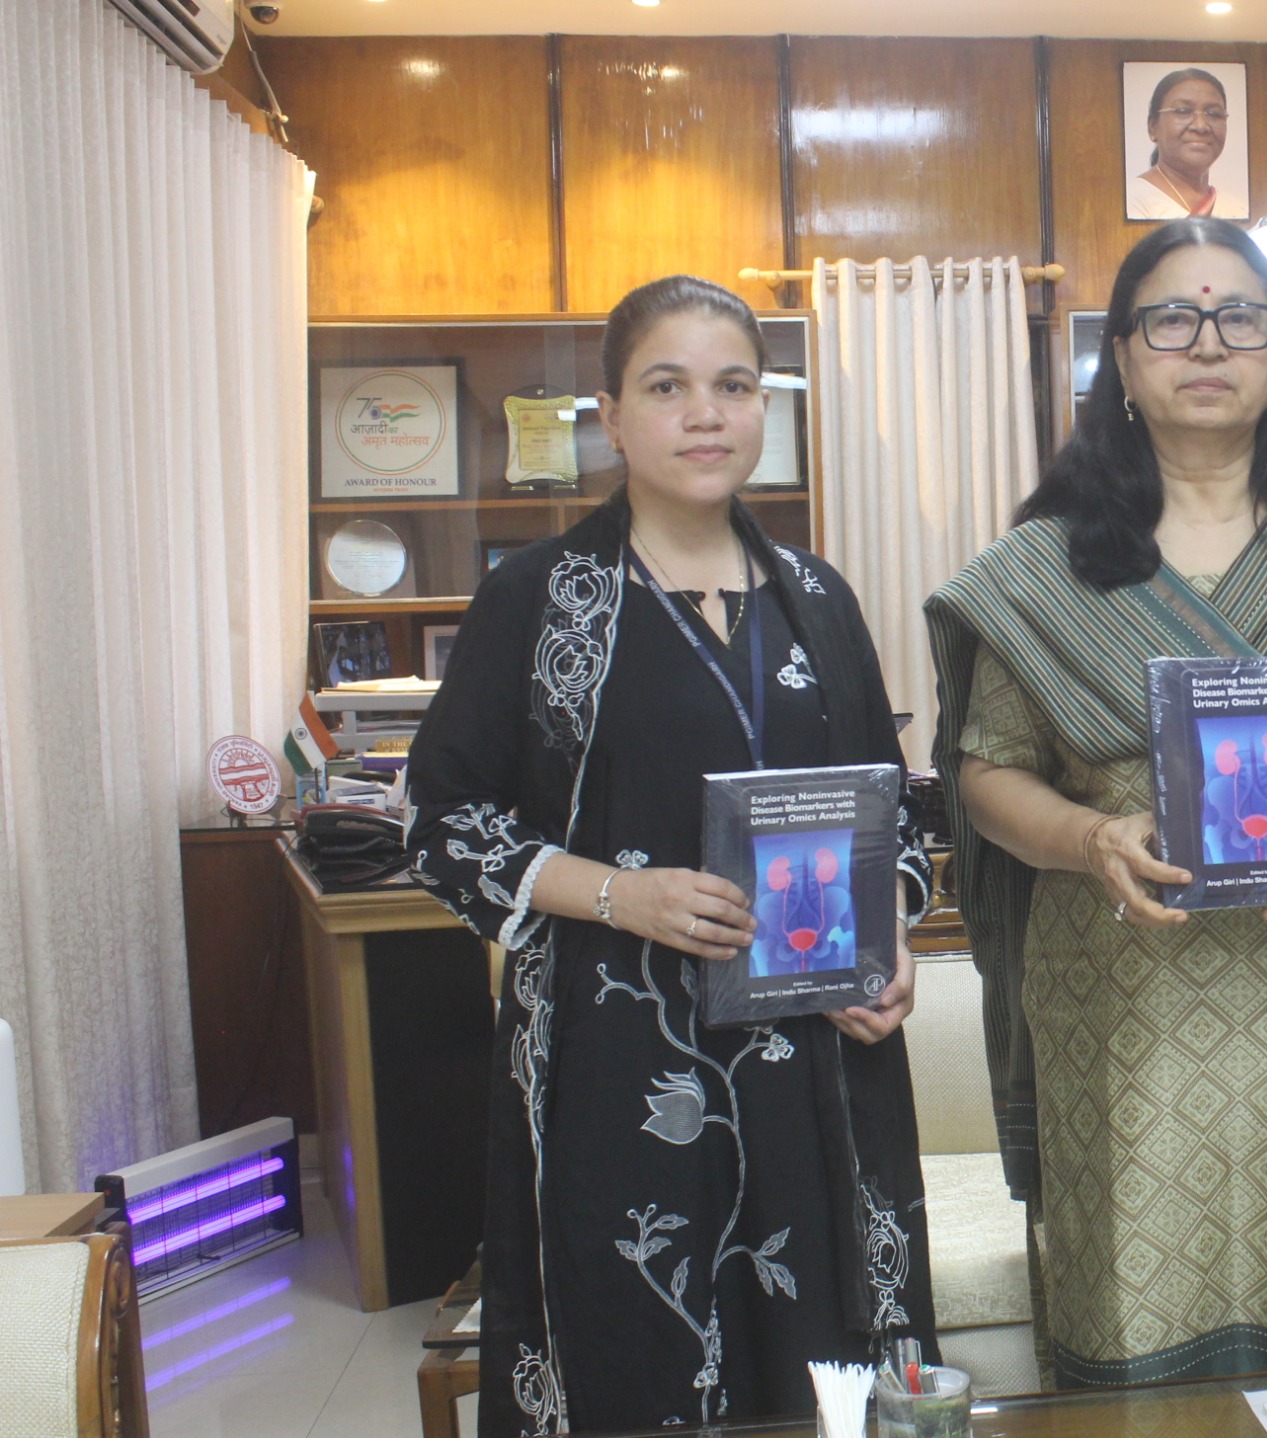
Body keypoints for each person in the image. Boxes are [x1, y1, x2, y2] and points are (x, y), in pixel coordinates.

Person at [405, 276, 939, 1433]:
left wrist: (889, 938)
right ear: (611, 415)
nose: (706, 414)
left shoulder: (818, 598)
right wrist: (619, 894)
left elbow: (893, 814)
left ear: (763, 408)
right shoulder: (541, 600)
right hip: (618, 1061)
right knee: (636, 1358)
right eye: (668, 386)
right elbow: (442, 826)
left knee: (825, 1374)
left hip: (817, 1062)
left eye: (733, 386)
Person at [925, 218, 1267, 1387]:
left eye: (1239, 317)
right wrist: (1092, 834)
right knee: (1132, 1325)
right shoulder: (1045, 564)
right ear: (1122, 356)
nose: (1205, 342)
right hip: (1122, 995)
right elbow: (986, 769)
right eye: (1171, 317)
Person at [1128, 68, 1244, 221]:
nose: (1201, 126)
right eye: (1183, 111)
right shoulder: (1131, 202)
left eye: (1214, 114)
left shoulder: (1237, 209)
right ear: (1153, 127)